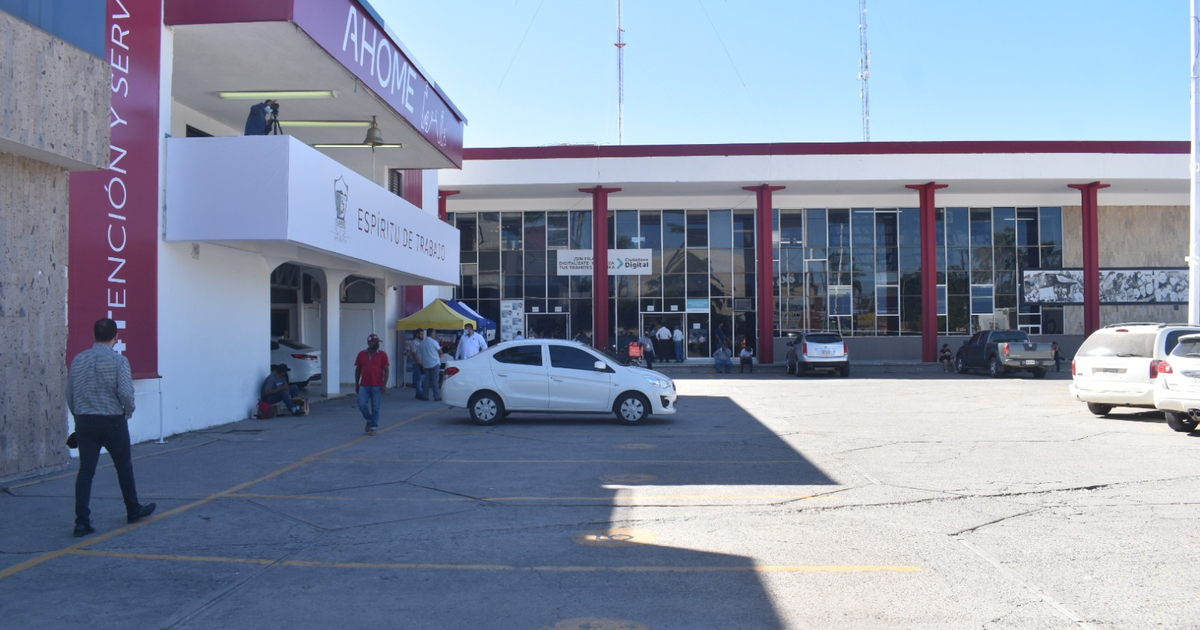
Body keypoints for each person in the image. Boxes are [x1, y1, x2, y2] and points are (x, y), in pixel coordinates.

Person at [67, 317, 156, 537]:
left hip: (85, 421)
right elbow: (125, 392)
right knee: (123, 466)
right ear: (116, 337)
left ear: (93, 335)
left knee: (86, 471)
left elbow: (70, 393)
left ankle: (81, 522)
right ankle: (133, 509)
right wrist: (128, 411)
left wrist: (78, 416)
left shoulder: (78, 360)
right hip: (112, 421)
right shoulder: (119, 361)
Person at [354, 333, 389, 436]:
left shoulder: (383, 354)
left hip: (377, 385)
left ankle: (374, 427)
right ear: (369, 343)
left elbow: (386, 370)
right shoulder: (361, 354)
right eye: (375, 342)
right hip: (364, 385)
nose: (377, 344)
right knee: (361, 404)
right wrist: (356, 384)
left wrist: (384, 384)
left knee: (375, 407)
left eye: (378, 342)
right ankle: (369, 419)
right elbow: (358, 369)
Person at [419, 326, 445, 402]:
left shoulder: (422, 343)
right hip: (434, 363)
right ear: (431, 333)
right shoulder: (434, 342)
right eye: (434, 333)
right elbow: (440, 352)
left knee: (426, 381)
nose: (435, 334)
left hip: (426, 364)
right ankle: (436, 397)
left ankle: (425, 396)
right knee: (435, 381)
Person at [408, 330, 424, 398]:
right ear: (417, 334)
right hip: (416, 362)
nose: (422, 336)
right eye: (421, 334)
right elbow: (414, 352)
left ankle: (419, 392)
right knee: (418, 378)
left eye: (423, 334)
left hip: (422, 362)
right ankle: (419, 393)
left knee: (421, 378)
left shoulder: (422, 342)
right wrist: (418, 362)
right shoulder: (414, 342)